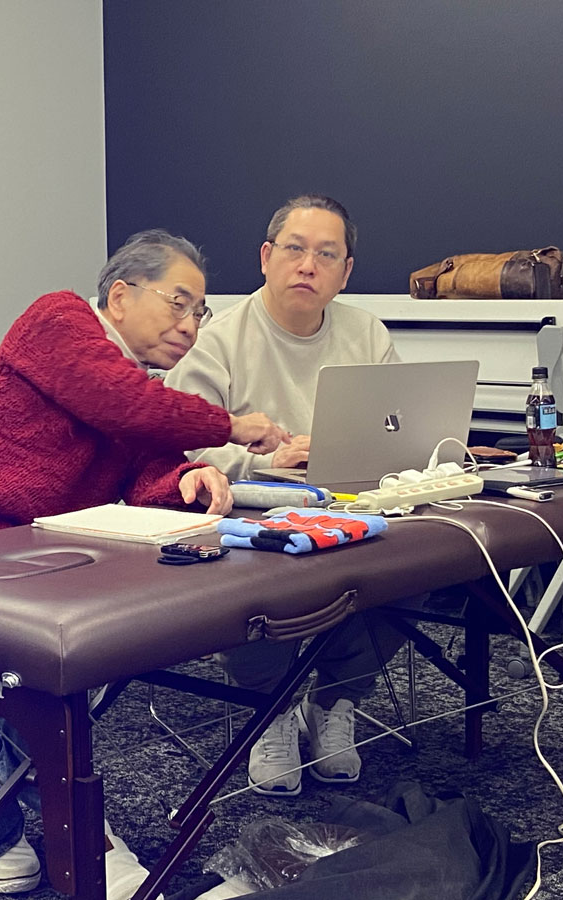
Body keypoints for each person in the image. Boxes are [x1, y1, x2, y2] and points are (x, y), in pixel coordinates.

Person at [0, 229, 288, 897]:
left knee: (11, 664)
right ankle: (88, 840)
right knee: (16, 659)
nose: (191, 326)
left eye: (199, 311)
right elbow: (122, 404)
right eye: (179, 304)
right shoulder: (57, 319)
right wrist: (231, 426)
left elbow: (146, 461)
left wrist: (186, 479)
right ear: (120, 296)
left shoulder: (135, 385)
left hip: (19, 560)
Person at [165, 195, 406, 795]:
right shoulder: (217, 339)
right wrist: (266, 461)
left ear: (346, 272)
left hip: (350, 500)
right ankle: (270, 710)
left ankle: (335, 701)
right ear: (266, 258)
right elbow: (179, 444)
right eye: (295, 250)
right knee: (257, 583)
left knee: (425, 562)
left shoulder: (366, 333)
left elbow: (396, 430)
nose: (308, 265)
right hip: (254, 508)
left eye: (326, 255)